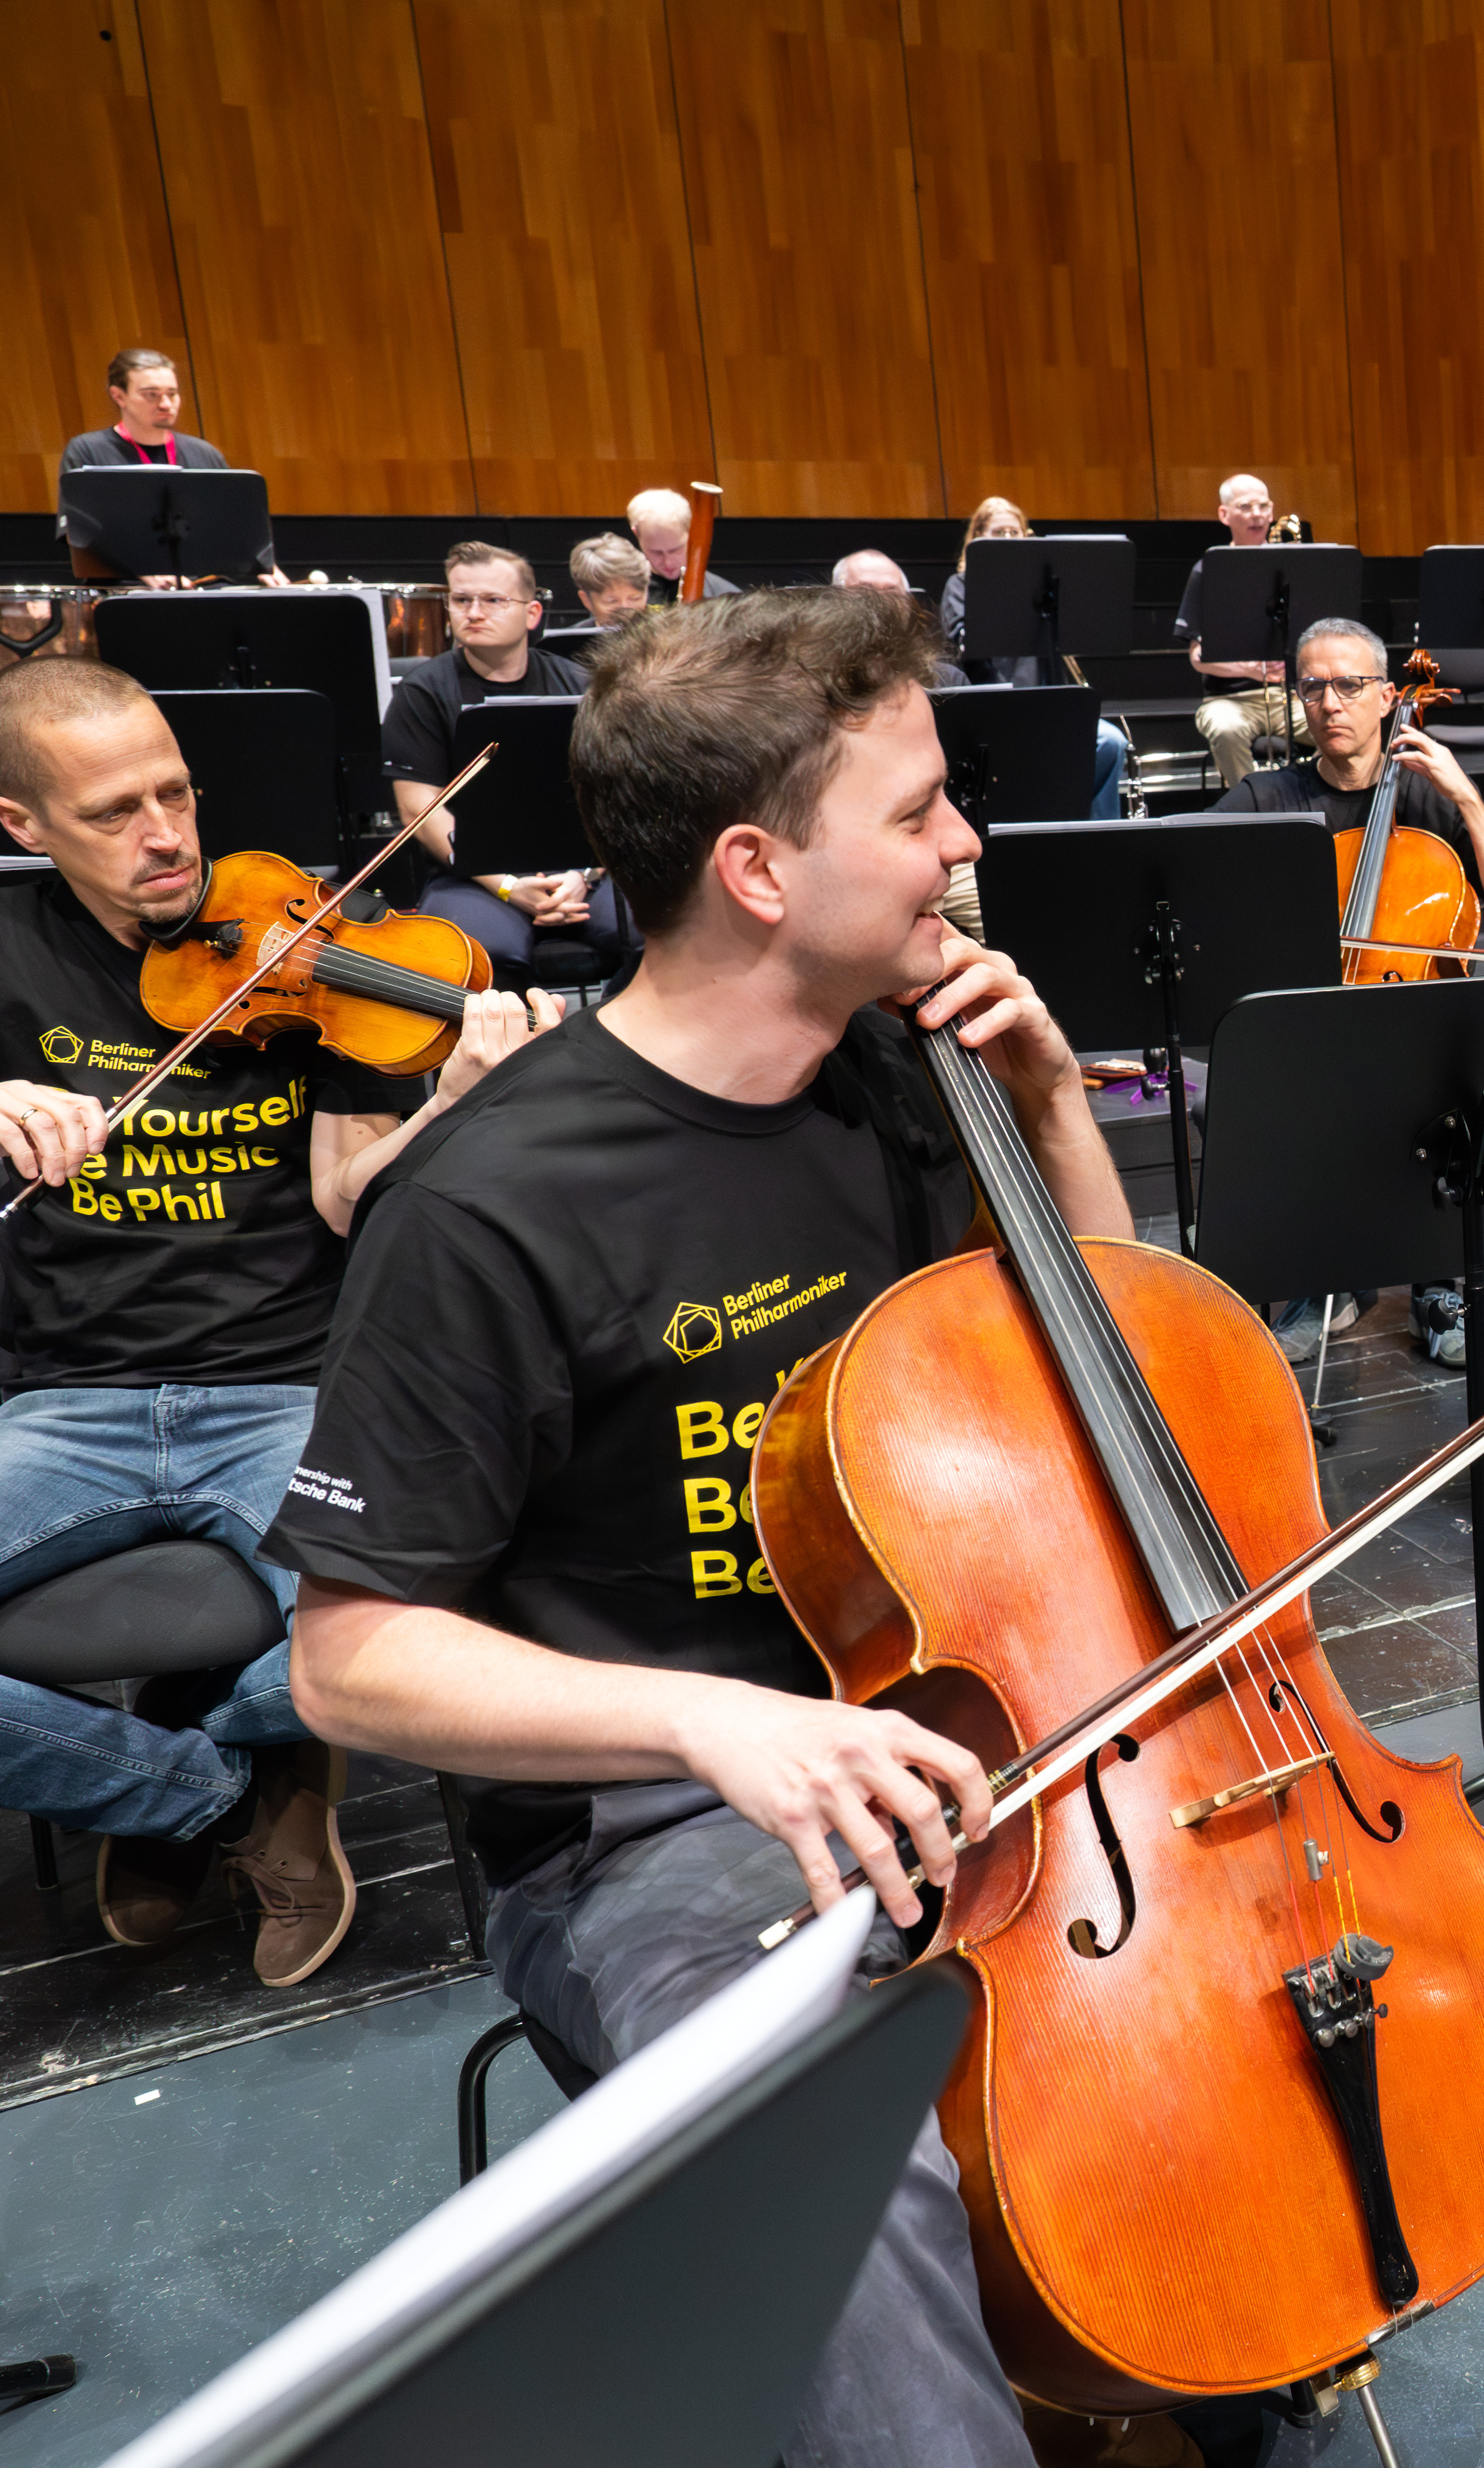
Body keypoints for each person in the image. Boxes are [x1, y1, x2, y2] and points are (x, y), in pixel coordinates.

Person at [269, 587, 1124, 2468]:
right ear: (756, 867)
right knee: (818, 2145)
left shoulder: (911, 1077)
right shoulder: (492, 1205)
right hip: (651, 1821)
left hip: (973, 1714)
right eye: (915, 812)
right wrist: (705, 1719)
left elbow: (1131, 1389)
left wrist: (1053, 1107)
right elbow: (342, 1656)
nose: (965, 846)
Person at [0, 658, 546, 1985]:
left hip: (285, 1389)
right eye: (114, 813)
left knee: (420, 1623)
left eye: (175, 792)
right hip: (63, 1402)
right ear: (24, 827)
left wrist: (451, 1102)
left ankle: (203, 1765)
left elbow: (354, 1203)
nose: (168, 836)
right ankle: (215, 1797)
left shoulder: (315, 952)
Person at [1213, 616, 1484, 1369]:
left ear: (1389, 695)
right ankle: (1321, 1275)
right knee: (1261, 1093)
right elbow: (1188, 873)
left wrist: (1465, 798)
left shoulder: (1430, 802)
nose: (1332, 702)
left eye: (1351, 685)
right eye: (1314, 686)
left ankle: (1439, 1284)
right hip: (1314, 1035)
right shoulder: (1269, 800)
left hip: (1419, 1031)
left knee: (1447, 1097)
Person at [384, 543, 632, 985]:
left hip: (581, 867)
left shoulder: (577, 683)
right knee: (482, 959)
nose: (474, 612)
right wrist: (507, 886)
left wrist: (584, 874)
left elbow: (615, 794)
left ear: (532, 614)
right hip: (472, 876)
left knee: (662, 934)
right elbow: (418, 810)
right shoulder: (422, 691)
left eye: (493, 600)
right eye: (462, 600)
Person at [919, 509, 1132, 819]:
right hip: (995, 707)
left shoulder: (1045, 591)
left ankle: (1097, 836)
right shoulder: (961, 584)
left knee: (1111, 742)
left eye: (1014, 532)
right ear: (978, 539)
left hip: (1048, 705)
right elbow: (963, 639)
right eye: (998, 533)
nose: (1008, 539)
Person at [835, 549, 987, 934]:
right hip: (860, 857)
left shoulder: (947, 681)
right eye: (866, 591)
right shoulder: (818, 685)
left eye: (893, 592)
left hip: (937, 839)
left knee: (1012, 917)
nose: (883, 604)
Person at [56, 349, 281, 587]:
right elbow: (80, 532)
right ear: (119, 396)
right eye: (151, 395)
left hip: (202, 587)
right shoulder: (87, 451)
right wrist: (146, 571)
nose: (165, 404)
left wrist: (264, 565)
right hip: (127, 589)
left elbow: (232, 529)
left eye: (172, 394)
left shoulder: (204, 454)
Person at [1176, 474, 1304, 779]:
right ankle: (1250, 814)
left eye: (1263, 506)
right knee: (1226, 729)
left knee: (1343, 720)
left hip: (1291, 697)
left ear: (1272, 512)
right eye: (1246, 507)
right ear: (1225, 514)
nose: (1257, 514)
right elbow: (1198, 657)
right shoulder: (1208, 569)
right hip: (1229, 701)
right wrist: (1250, 670)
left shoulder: (1297, 565)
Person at [624, 487, 735, 600]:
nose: (669, 563)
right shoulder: (623, 595)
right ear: (637, 534)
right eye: (657, 553)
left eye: (675, 550)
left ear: (691, 531)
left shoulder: (725, 596)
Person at [565, 532, 651, 637]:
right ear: (586, 601)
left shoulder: (667, 640)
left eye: (635, 599)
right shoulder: (565, 646)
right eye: (612, 601)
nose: (625, 610)